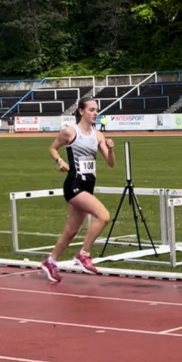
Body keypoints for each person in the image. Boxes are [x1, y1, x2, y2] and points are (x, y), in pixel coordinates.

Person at [42, 98, 115, 283]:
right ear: (81, 112)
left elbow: (111, 163)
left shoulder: (98, 135)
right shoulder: (70, 132)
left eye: (96, 110)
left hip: (88, 186)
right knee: (103, 216)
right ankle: (84, 254)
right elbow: (53, 148)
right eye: (91, 109)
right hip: (74, 185)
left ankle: (50, 261)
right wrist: (59, 161)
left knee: (71, 231)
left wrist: (111, 150)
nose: (95, 113)